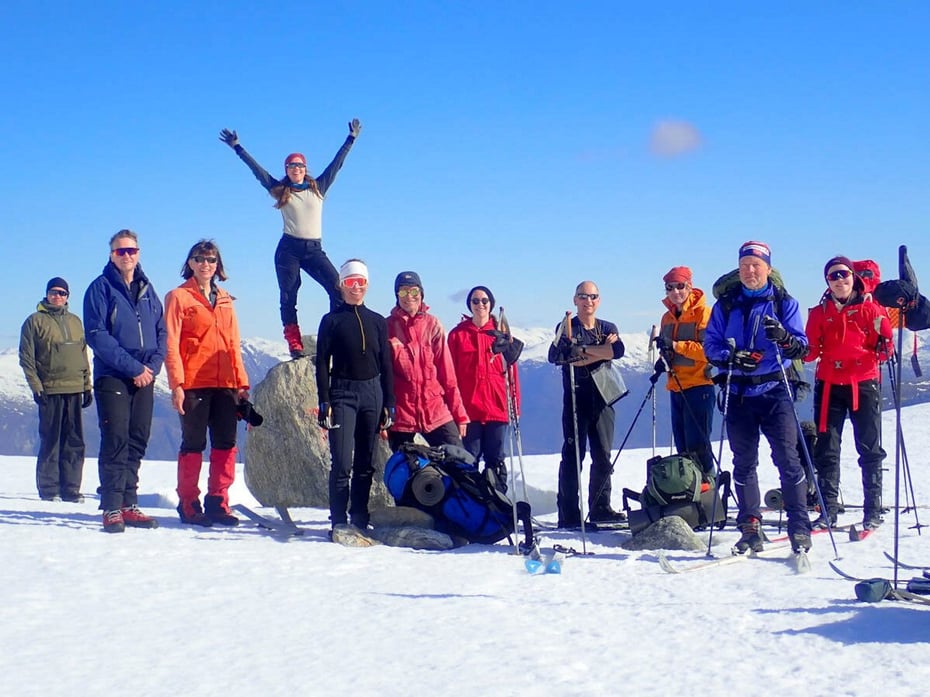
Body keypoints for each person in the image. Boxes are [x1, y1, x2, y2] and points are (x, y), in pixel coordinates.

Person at [219, 119, 362, 359]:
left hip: (314, 249)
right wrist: (238, 148)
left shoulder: (319, 187)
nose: (296, 169)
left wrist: (351, 139)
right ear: (286, 170)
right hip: (289, 249)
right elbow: (259, 172)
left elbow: (337, 164)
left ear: (305, 168)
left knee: (337, 288)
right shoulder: (280, 190)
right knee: (289, 294)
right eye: (291, 166)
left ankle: (335, 334)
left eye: (300, 165)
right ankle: (294, 342)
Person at [703, 241, 812, 553]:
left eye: (756, 265)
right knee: (744, 462)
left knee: (788, 461)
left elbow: (800, 347)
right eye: (745, 265)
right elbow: (711, 344)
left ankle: (798, 528)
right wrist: (733, 357)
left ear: (768, 268)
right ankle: (750, 525)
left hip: (775, 390)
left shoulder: (783, 302)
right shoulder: (726, 304)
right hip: (738, 391)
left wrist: (784, 338)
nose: (750, 271)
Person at [84, 230, 166, 533]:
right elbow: (97, 335)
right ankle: (112, 507)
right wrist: (134, 367)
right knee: (116, 438)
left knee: (138, 438)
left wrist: (152, 367)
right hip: (113, 375)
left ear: (139, 253)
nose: (127, 255)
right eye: (121, 251)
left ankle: (129, 503)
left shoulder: (147, 288)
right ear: (111, 255)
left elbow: (161, 330)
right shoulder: (100, 288)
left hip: (144, 376)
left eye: (131, 250)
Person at [164, 240, 250, 527]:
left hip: (225, 382)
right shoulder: (178, 297)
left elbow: (232, 344)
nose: (205, 264)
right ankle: (188, 503)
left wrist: (242, 384)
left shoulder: (225, 299)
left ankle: (218, 502)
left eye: (211, 260)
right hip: (194, 383)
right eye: (199, 259)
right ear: (190, 263)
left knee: (226, 444)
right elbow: (171, 343)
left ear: (218, 265)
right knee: (193, 444)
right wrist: (176, 384)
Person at [804, 255, 892, 530]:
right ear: (827, 282)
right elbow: (810, 353)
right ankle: (827, 510)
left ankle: (872, 511)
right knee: (827, 450)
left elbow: (886, 348)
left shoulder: (872, 309)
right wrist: (789, 345)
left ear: (854, 277)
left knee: (869, 448)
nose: (839, 280)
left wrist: (883, 346)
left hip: (863, 384)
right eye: (833, 276)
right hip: (829, 385)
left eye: (843, 274)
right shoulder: (819, 313)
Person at [316, 259, 395, 531]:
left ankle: (359, 516)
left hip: (373, 393)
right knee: (341, 461)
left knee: (366, 461)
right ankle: (338, 519)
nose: (356, 287)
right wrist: (324, 400)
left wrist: (390, 402)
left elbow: (386, 363)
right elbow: (321, 363)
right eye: (350, 282)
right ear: (341, 285)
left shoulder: (378, 321)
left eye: (361, 282)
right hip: (342, 393)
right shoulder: (331, 320)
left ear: (368, 285)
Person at [547, 281, 625, 528]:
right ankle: (568, 513)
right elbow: (561, 357)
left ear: (598, 300)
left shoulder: (608, 326)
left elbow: (617, 351)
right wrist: (599, 350)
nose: (587, 301)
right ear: (575, 300)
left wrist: (582, 351)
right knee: (573, 456)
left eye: (592, 296)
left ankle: (601, 508)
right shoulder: (567, 326)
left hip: (603, 398)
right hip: (575, 398)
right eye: (583, 296)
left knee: (603, 455)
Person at [19, 277, 93, 502]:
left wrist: (86, 384)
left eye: (62, 293)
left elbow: (83, 354)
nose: (57, 296)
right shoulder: (34, 321)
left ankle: (71, 489)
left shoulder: (75, 321)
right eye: (53, 292)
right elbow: (26, 357)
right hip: (49, 389)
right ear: (46, 294)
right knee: (51, 439)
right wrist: (36, 386)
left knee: (74, 440)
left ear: (67, 296)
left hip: (74, 388)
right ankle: (49, 489)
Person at [448, 286, 524, 488]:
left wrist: (515, 406)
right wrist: (452, 409)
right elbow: (450, 375)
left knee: (496, 460)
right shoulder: (457, 335)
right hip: (468, 410)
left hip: (497, 407)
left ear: (490, 304)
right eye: (475, 301)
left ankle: (497, 506)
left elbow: (512, 373)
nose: (480, 305)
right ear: (469, 305)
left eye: (484, 301)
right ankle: (472, 509)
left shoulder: (502, 335)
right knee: (468, 459)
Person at [386, 271, 469, 451]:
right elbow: (381, 378)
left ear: (421, 294)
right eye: (403, 291)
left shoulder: (433, 325)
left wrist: (460, 415)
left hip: (436, 410)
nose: (409, 297)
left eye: (414, 291)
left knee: (458, 460)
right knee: (406, 471)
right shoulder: (387, 327)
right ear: (396, 296)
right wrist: (382, 418)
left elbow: (447, 375)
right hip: (401, 415)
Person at [654, 267, 715, 476]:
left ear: (689, 286)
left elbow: (710, 351)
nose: (675, 291)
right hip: (676, 387)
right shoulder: (667, 318)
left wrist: (676, 345)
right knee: (682, 446)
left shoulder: (704, 314)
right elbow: (670, 349)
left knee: (699, 447)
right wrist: (664, 359)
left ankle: (709, 494)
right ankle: (690, 493)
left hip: (700, 386)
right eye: (670, 288)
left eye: (680, 286)